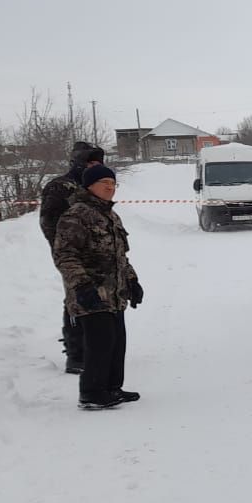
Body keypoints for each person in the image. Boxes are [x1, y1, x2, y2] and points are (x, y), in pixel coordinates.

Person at [51, 164, 142, 410]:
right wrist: (81, 286)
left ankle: (111, 387)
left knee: (116, 342)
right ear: (89, 185)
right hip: (91, 292)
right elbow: (65, 255)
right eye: (105, 183)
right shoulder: (76, 215)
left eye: (113, 184)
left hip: (114, 292)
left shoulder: (110, 215)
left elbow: (120, 256)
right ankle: (92, 392)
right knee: (100, 343)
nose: (110, 188)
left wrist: (132, 280)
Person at [39, 142, 104, 374]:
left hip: (99, 253)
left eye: (97, 162)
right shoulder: (59, 187)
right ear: (78, 162)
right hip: (71, 254)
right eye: (89, 162)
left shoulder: (93, 186)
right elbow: (48, 222)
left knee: (99, 297)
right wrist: (63, 250)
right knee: (76, 298)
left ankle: (96, 348)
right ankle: (76, 354)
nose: (94, 166)